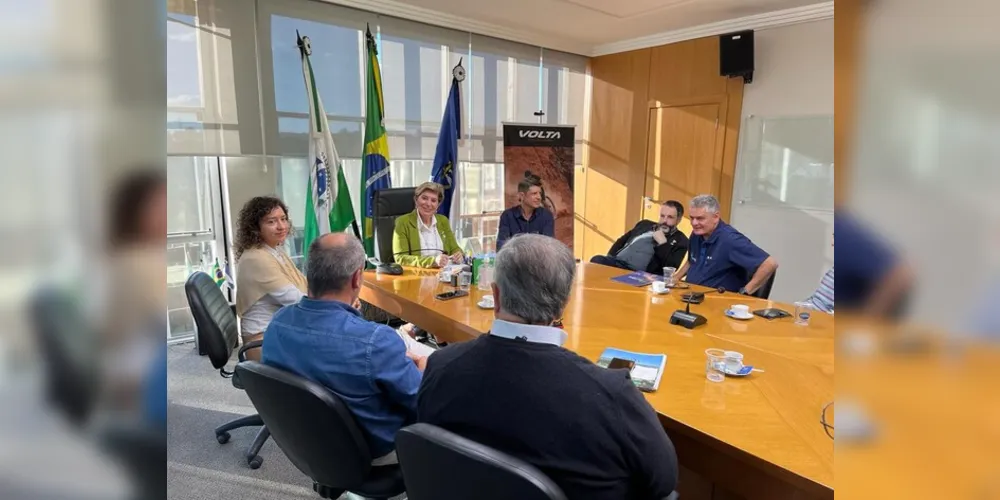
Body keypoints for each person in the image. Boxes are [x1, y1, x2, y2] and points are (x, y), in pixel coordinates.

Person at [417, 235, 678, 499]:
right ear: (563, 304)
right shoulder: (613, 394)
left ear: (495, 296)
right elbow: (663, 482)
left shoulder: (441, 366)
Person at [261, 233, 427, 465]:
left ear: (310, 272)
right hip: (376, 451)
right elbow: (422, 404)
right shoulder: (376, 341)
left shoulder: (277, 323)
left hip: (308, 442)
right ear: (357, 277)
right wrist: (422, 372)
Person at [234, 196, 308, 360]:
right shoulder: (257, 258)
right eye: (271, 222)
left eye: (283, 219)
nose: (281, 226)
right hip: (263, 341)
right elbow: (296, 300)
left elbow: (303, 283)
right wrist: (335, 302)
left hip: (279, 330)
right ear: (255, 227)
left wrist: (333, 296)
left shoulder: (274, 250)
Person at [675, 194, 778, 294]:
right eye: (692, 218)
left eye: (700, 218)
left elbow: (770, 264)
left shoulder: (730, 239)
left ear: (716, 217)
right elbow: (692, 260)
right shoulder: (696, 233)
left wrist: (745, 292)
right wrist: (675, 278)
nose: (694, 223)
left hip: (716, 302)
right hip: (690, 295)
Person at [590, 200, 689, 274]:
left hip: (639, 274)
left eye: (670, 217)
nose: (664, 221)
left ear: (679, 220)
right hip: (617, 263)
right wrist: (610, 256)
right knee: (597, 260)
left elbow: (669, 268)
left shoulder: (681, 241)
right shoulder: (644, 224)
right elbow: (621, 240)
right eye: (662, 216)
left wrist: (662, 244)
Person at [392, 182, 463, 268]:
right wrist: (433, 261)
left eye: (433, 200)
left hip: (444, 275)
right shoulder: (403, 222)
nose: (428, 204)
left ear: (438, 205)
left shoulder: (443, 221)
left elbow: (454, 248)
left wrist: (458, 254)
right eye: (424, 198)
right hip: (416, 276)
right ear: (416, 200)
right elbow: (400, 258)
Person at [496, 178, 554, 249]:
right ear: (522, 196)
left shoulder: (546, 215)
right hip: (514, 259)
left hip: (538, 259)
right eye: (534, 193)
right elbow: (501, 245)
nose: (539, 197)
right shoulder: (507, 216)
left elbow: (549, 246)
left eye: (540, 193)